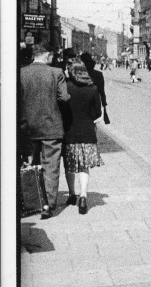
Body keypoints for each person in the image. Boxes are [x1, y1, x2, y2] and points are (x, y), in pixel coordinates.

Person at [18, 43, 70, 219]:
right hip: (51, 126)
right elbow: (64, 97)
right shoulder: (56, 73)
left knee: (29, 164)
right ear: (47, 55)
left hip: (27, 127)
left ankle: (31, 202)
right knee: (51, 167)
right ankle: (47, 205)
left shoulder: (22, 72)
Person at [62, 58, 104, 215]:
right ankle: (84, 196)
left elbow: (61, 108)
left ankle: (72, 195)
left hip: (69, 132)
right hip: (87, 132)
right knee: (83, 165)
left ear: (71, 71)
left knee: (69, 165)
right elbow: (97, 113)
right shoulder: (92, 88)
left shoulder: (66, 87)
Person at [80, 52, 109, 124]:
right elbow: (102, 91)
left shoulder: (79, 74)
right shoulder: (98, 74)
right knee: (92, 124)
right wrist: (104, 104)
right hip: (94, 103)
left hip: (82, 102)